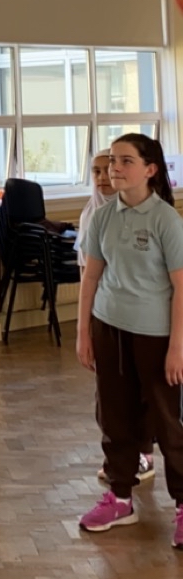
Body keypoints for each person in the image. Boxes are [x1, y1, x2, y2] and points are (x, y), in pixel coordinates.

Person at [77, 135, 183, 544]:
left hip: (156, 335)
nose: (114, 169)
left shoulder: (166, 220)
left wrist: (177, 347)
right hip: (109, 329)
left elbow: (180, 288)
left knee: (169, 423)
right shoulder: (103, 217)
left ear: (150, 170)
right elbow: (90, 278)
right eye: (112, 162)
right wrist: (84, 334)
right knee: (115, 416)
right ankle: (120, 497)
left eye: (125, 161)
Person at [80, 151, 154, 488]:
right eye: (95, 171)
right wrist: (85, 326)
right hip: (105, 317)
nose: (102, 177)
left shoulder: (151, 215)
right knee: (109, 397)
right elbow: (88, 273)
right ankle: (120, 460)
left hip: (141, 318)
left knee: (144, 392)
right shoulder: (92, 215)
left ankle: (144, 453)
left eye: (107, 169)